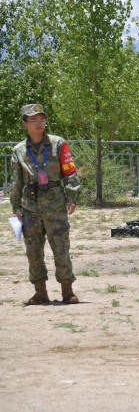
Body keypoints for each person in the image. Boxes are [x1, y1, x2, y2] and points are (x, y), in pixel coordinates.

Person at [9, 104, 81, 305]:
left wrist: (73, 196)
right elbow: (16, 181)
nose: (39, 123)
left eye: (41, 119)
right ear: (25, 124)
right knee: (33, 251)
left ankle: (67, 290)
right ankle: (40, 291)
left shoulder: (58, 144)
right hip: (30, 207)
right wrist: (16, 207)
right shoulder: (18, 150)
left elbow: (69, 171)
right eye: (34, 120)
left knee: (61, 248)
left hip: (55, 205)